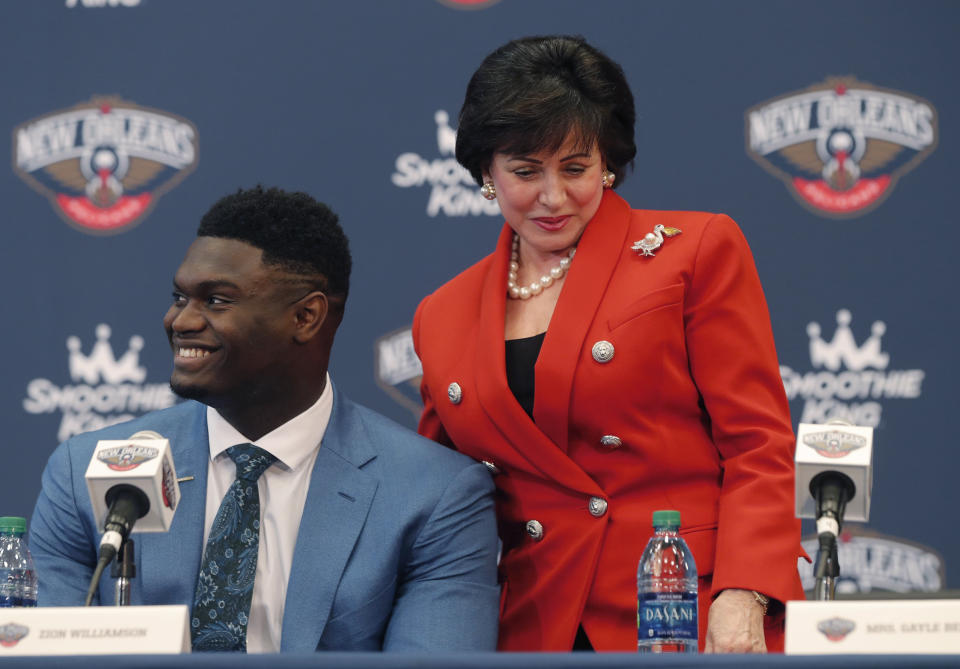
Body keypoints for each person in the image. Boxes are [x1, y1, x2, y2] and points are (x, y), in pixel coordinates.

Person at [413, 36, 805, 653]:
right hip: (536, 625)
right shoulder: (441, 315)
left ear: (608, 163)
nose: (553, 196)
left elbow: (758, 442)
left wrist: (745, 590)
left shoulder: (694, 251)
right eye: (524, 171)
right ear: (485, 173)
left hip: (684, 607)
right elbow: (433, 493)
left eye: (575, 168)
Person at [30, 186, 499, 653]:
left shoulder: (434, 495)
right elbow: (50, 661)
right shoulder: (88, 472)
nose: (181, 321)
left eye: (216, 301)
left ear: (306, 317)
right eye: (180, 297)